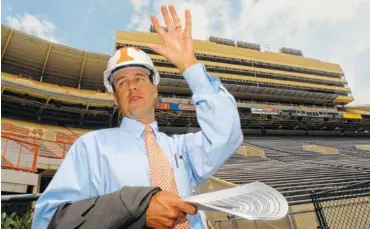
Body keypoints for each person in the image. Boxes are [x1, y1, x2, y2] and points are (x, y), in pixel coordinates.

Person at [32, 5, 243, 229]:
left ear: (155, 90)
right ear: (115, 98)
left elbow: (227, 134)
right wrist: (134, 212)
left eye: (140, 78)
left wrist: (190, 66)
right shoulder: (91, 147)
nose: (132, 86)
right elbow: (49, 220)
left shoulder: (181, 148)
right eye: (122, 82)